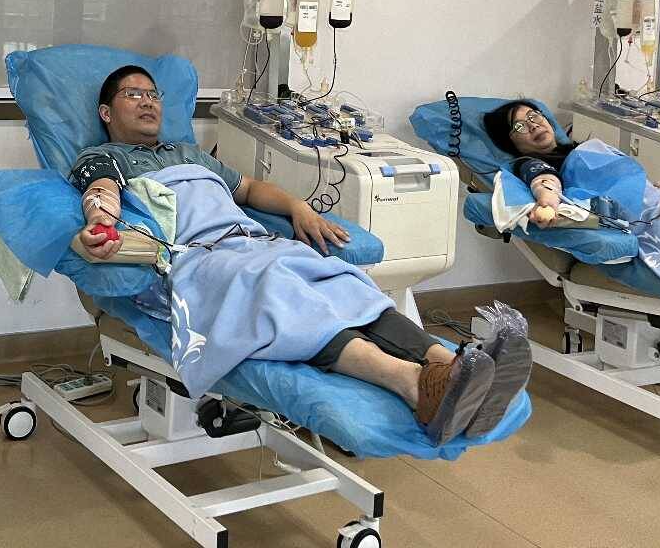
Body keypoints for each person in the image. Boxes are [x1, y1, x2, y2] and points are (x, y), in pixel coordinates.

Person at [70, 66, 531, 444]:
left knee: (341, 281)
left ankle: (448, 367)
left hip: (252, 242)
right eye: (133, 94)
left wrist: (298, 208)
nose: (148, 102)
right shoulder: (105, 157)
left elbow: (249, 189)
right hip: (200, 259)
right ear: (107, 112)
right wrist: (100, 219)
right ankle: (413, 384)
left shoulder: (189, 153)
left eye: (153, 94)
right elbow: (101, 193)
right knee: (281, 294)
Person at [483, 101, 660, 228]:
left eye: (533, 116)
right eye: (520, 126)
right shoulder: (528, 162)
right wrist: (547, 202)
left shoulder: (584, 148)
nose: (533, 125)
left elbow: (624, 179)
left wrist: (659, 187)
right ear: (509, 142)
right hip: (644, 219)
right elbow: (544, 180)